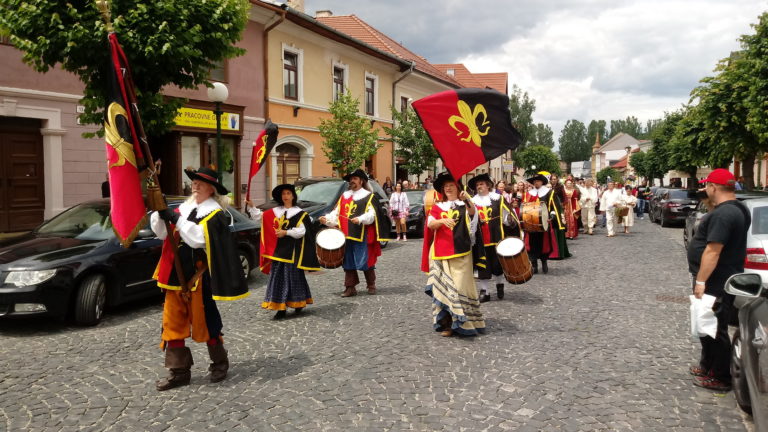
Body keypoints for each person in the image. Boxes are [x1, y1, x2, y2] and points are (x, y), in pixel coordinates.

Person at [150, 167, 249, 391]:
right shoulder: (184, 208)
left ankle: (219, 362)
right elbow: (162, 233)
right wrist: (159, 211)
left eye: (201, 182)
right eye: (194, 181)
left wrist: (175, 218)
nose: (195, 185)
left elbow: (197, 239)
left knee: (207, 323)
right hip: (174, 275)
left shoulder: (217, 215)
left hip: (198, 277)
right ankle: (179, 372)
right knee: (172, 323)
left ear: (211, 189)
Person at [687, 168, 750, 392]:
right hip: (720, 278)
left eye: (707, 186)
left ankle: (721, 377)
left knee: (715, 329)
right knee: (707, 326)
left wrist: (701, 281)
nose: (705, 189)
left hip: (715, 281)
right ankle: (708, 366)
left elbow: (713, 251)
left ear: (714, 187)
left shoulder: (724, 215)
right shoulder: (735, 208)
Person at [422, 172, 485, 337]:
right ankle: (448, 324)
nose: (448, 188)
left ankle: (466, 321)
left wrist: (467, 199)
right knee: (445, 290)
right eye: (446, 186)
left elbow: (473, 214)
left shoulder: (464, 204)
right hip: (440, 254)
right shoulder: (437, 207)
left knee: (459, 288)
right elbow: (431, 225)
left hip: (461, 252)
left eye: (451, 185)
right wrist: (442, 221)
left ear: (458, 187)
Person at [319, 169, 389, 297]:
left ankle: (371, 284)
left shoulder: (369, 196)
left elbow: (372, 215)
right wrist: (327, 219)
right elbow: (337, 213)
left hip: (362, 235)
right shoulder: (344, 196)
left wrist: (361, 219)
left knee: (365, 260)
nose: (352, 181)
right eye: (351, 179)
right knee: (348, 262)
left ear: (361, 181)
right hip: (345, 235)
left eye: (355, 179)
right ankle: (350, 287)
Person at [259, 184, 320, 319]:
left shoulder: (299, 213)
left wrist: (286, 232)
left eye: (288, 193)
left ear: (293, 195)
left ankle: (298, 303)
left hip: (292, 253)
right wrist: (251, 207)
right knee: (277, 279)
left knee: (293, 278)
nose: (285, 196)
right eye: (283, 194)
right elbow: (261, 217)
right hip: (278, 252)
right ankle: (280, 308)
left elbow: (301, 232)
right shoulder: (275, 211)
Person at [469, 173, 517, 302]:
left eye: (482, 184)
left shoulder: (498, 199)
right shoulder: (472, 202)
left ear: (488, 185)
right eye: (477, 184)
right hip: (481, 239)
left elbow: (507, 214)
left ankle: (499, 284)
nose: (479, 186)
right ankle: (485, 291)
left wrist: (509, 220)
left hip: (497, 237)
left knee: (497, 265)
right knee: (483, 265)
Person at [522, 172, 564, 274]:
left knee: (544, 244)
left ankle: (544, 262)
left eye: (538, 181)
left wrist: (552, 216)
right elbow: (523, 208)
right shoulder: (528, 194)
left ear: (542, 182)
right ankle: (534, 264)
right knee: (531, 245)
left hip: (544, 223)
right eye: (534, 181)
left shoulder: (549, 193)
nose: (536, 183)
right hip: (531, 225)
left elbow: (555, 207)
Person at [547, 173, 571, 259]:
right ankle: (552, 251)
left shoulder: (560, 188)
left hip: (558, 210)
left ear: (557, 179)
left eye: (555, 179)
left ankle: (561, 252)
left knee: (559, 228)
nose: (553, 180)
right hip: (550, 209)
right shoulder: (548, 187)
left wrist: (560, 205)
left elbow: (564, 199)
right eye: (552, 179)